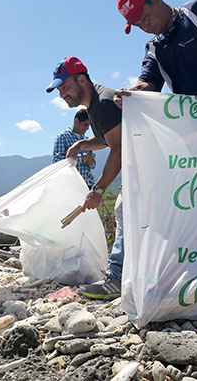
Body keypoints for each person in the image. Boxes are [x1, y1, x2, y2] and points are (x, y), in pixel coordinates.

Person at [46, 56, 124, 300]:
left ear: (82, 80)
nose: (62, 95)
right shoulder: (96, 105)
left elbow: (119, 147)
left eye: (65, 87)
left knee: (123, 211)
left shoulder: (105, 104)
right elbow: (105, 139)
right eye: (59, 90)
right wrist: (81, 144)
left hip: (148, 170)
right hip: (141, 172)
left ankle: (118, 278)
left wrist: (98, 191)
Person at [52, 108, 96, 188]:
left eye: (89, 125)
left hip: (88, 185)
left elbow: (92, 166)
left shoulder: (87, 140)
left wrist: (91, 161)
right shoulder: (63, 137)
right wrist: (82, 158)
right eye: (85, 124)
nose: (87, 128)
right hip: (71, 186)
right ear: (76, 121)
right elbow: (57, 161)